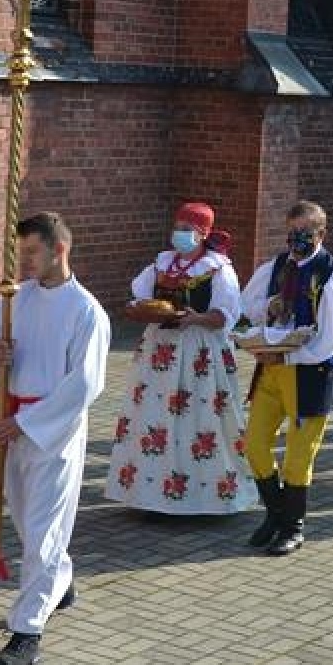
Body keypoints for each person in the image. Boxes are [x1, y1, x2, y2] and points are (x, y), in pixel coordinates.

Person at [0, 213, 110, 665]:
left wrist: (28, 422)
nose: (24, 261)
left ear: (59, 250)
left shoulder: (85, 310)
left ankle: (28, 630)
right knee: (25, 516)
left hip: (53, 431)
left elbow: (85, 384)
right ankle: (59, 580)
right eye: (21, 251)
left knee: (44, 527)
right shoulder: (15, 300)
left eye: (32, 251)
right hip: (10, 421)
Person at [107, 203, 254, 513]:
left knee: (198, 419)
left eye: (188, 229)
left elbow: (225, 315)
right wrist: (138, 309)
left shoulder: (218, 269)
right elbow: (141, 297)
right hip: (160, 349)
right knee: (154, 415)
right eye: (179, 227)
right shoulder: (162, 263)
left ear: (203, 234)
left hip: (196, 352)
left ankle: (203, 497)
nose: (181, 234)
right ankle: (150, 495)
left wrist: (195, 318)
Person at [239, 200, 333, 556]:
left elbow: (328, 341)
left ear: (321, 234)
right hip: (272, 370)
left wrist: (286, 353)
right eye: (291, 233)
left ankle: (293, 526)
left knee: (298, 457)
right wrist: (269, 306)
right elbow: (248, 305)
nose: (295, 240)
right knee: (254, 445)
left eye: (303, 233)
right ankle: (275, 514)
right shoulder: (275, 266)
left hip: (310, 373)